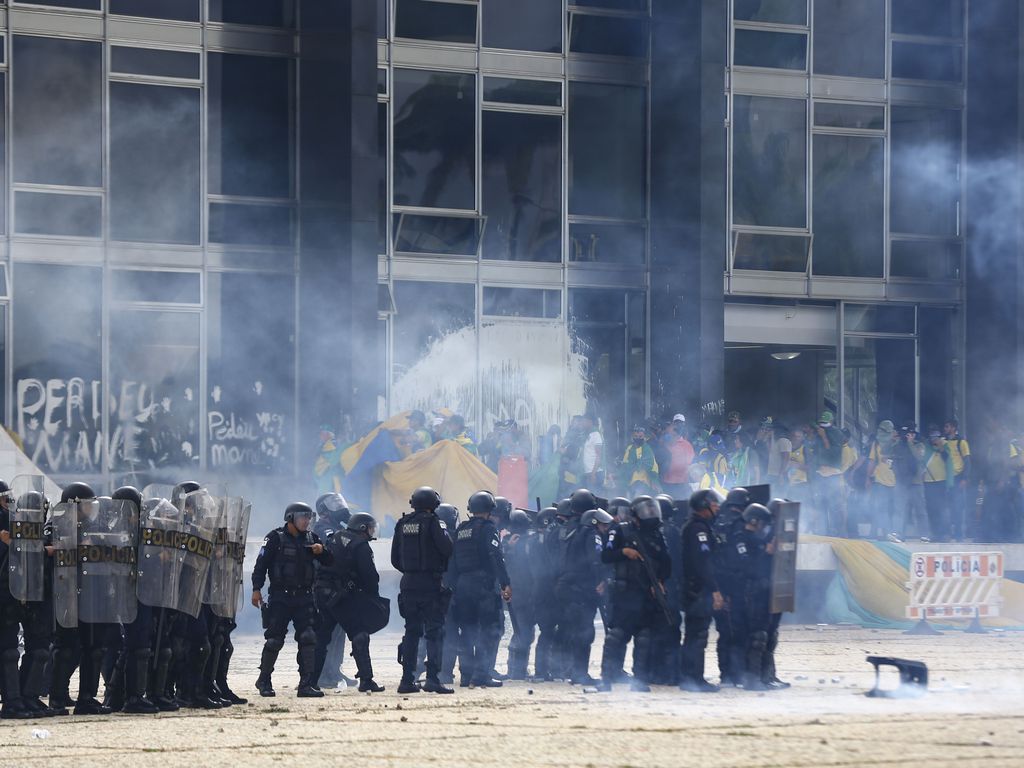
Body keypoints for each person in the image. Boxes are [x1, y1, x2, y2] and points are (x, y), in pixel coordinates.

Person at [251, 502, 332, 698]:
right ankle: (264, 680)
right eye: (302, 517)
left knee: (308, 638)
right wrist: (256, 589)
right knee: (274, 640)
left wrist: (322, 551)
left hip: (304, 597)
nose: (306, 521)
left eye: (308, 517)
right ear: (290, 518)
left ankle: (306, 684)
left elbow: (329, 562)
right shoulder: (274, 538)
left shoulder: (313, 538)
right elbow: (261, 565)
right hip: (280, 597)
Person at [597, 496, 671, 692]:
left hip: (647, 594)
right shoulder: (620, 530)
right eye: (646, 511)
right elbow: (606, 555)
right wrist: (624, 552)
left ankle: (639, 680)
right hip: (625, 593)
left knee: (644, 637)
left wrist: (660, 582)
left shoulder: (656, 534)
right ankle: (607, 678)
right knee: (617, 636)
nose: (651, 514)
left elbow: (666, 563)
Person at [391, 486, 455, 694]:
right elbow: (447, 549)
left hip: (408, 583)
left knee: (411, 632)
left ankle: (407, 680)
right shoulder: (435, 522)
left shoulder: (402, 523)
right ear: (433, 504)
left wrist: (411, 571)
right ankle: (433, 679)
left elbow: (395, 558)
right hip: (430, 584)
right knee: (435, 632)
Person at [314, 512, 387, 693]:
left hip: (323, 594)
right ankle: (366, 680)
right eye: (370, 527)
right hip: (342, 597)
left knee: (321, 638)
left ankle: (310, 680)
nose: (372, 531)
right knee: (360, 634)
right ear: (362, 528)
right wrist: (371, 596)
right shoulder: (360, 545)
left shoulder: (337, 536)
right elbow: (370, 576)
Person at [451, 491, 512, 688]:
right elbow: (495, 555)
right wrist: (505, 583)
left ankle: (467, 675)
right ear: (490, 509)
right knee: (489, 631)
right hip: (483, 585)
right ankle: (481, 675)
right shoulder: (488, 528)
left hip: (462, 585)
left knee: (467, 631)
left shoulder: (461, 529)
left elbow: (453, 560)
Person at [553, 489, 606, 685]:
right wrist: (601, 579)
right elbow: (595, 558)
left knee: (570, 630)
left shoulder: (563, 529)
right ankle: (579, 674)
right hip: (581, 587)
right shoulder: (588, 530)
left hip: (563, 585)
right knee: (584, 632)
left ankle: (566, 670)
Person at [679, 489, 725, 693]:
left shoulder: (698, 527)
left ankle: (690, 677)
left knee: (694, 635)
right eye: (714, 504)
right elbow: (703, 563)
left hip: (695, 589)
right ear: (704, 505)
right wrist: (715, 590)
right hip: (698, 590)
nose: (716, 508)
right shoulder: (698, 529)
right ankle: (693, 679)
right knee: (697, 636)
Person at [729, 503, 774, 691]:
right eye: (761, 522)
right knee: (755, 637)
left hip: (759, 593)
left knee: (762, 636)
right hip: (748, 593)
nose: (763, 527)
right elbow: (747, 566)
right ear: (754, 521)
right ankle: (751, 678)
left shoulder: (756, 539)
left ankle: (759, 677)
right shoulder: (741, 539)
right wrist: (765, 553)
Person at [313, 493, 353, 690]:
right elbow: (334, 544)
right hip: (325, 586)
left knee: (340, 631)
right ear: (324, 510)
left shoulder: (339, 528)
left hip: (339, 586)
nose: (341, 508)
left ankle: (334, 669)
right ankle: (322, 673)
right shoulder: (322, 528)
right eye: (335, 505)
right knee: (327, 632)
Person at [503, 509, 539, 680]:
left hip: (521, 591)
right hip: (520, 592)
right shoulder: (509, 542)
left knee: (524, 632)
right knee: (522, 632)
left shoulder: (509, 541)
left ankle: (518, 669)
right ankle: (516, 670)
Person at [866, 420, 898, 539]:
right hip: (879, 481)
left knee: (890, 510)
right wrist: (868, 478)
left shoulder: (896, 444)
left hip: (894, 482)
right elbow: (872, 461)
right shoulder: (876, 444)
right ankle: (874, 532)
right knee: (878, 507)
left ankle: (888, 533)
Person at [943, 420, 972, 540]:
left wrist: (965, 478)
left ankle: (959, 534)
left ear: (954, 428)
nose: (945, 428)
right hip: (947, 478)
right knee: (948, 507)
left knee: (958, 506)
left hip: (958, 478)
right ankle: (950, 532)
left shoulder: (962, 442)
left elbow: (967, 461)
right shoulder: (944, 442)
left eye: (947, 426)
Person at [922, 428, 953, 541]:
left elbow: (947, 459)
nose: (933, 440)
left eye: (935, 437)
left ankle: (945, 533)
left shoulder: (945, 447)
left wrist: (940, 446)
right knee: (931, 509)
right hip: (928, 482)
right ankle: (934, 533)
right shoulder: (926, 448)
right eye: (932, 437)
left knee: (942, 509)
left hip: (941, 482)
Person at [659, 415, 695, 499]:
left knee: (680, 504)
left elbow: (690, 463)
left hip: (681, 483)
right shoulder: (664, 443)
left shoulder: (687, 445)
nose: (671, 432)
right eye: (675, 424)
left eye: (674, 430)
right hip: (666, 482)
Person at [620, 426, 660, 496]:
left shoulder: (647, 449)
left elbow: (649, 465)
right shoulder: (629, 448)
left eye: (640, 436)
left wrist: (654, 481)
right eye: (636, 436)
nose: (638, 438)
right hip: (631, 481)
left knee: (637, 499)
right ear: (632, 436)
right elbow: (625, 464)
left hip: (643, 481)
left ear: (644, 437)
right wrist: (617, 475)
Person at [313, 425, 345, 494]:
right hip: (325, 477)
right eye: (320, 434)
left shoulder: (332, 444)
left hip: (330, 478)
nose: (320, 436)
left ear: (329, 434)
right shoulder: (324, 445)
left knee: (328, 497)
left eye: (322, 433)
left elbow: (332, 459)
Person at [580, 415, 605, 489]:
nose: (582, 423)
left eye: (584, 421)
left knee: (595, 497)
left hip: (595, 472)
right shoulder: (588, 434)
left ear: (590, 422)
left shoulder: (596, 434)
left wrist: (593, 474)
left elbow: (599, 455)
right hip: (588, 471)